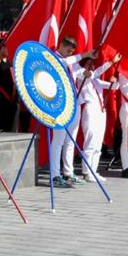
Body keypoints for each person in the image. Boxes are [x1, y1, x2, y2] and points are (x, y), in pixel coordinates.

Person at [47, 37, 84, 188]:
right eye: (68, 50)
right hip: (60, 106)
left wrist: (107, 65)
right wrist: (84, 54)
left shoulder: (70, 62)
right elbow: (62, 64)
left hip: (74, 103)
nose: (69, 54)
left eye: (72, 52)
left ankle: (68, 172)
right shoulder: (53, 58)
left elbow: (80, 73)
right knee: (58, 141)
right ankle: (55, 175)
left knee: (70, 141)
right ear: (61, 45)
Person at [75, 54, 115, 179]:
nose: (91, 67)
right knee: (90, 141)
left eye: (92, 64)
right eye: (88, 64)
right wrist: (111, 62)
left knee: (98, 143)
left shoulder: (96, 80)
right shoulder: (81, 76)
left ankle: (93, 170)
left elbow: (114, 86)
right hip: (90, 110)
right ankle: (86, 172)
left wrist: (115, 79)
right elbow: (95, 73)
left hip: (101, 111)